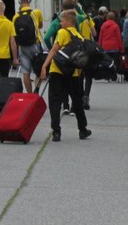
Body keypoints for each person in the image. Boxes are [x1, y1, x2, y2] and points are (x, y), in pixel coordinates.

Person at [38, 8, 91, 142]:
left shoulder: (62, 32)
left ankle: (56, 131)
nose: (60, 23)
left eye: (62, 21)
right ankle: (83, 129)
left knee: (55, 101)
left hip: (57, 71)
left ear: (68, 22)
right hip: (73, 74)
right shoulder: (79, 37)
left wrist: (44, 66)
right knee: (77, 101)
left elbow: (54, 50)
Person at [12, 0, 45, 94]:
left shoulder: (15, 17)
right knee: (38, 70)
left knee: (26, 72)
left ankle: (30, 94)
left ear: (19, 2)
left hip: (22, 47)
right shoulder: (36, 13)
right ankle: (37, 91)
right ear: (30, 0)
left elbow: (15, 34)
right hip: (36, 45)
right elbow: (40, 26)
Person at [97, 10, 123, 84]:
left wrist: (99, 46)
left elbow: (100, 37)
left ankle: (107, 76)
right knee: (114, 62)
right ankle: (114, 76)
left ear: (107, 17)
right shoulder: (115, 26)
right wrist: (121, 47)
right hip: (114, 47)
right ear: (114, 18)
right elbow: (119, 37)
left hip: (105, 47)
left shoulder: (103, 25)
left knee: (107, 62)